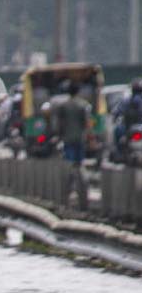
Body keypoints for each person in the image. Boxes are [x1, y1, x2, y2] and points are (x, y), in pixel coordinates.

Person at [55, 81, 91, 211]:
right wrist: (90, 138)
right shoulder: (83, 105)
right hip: (80, 140)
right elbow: (87, 124)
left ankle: (68, 192)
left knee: (69, 165)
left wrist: (58, 136)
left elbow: (59, 124)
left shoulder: (63, 106)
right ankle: (81, 189)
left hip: (68, 140)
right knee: (80, 164)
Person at [112, 79, 142, 161]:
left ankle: (119, 153)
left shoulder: (126, 100)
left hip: (128, 127)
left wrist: (114, 118)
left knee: (117, 131)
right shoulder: (127, 100)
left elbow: (116, 111)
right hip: (134, 128)